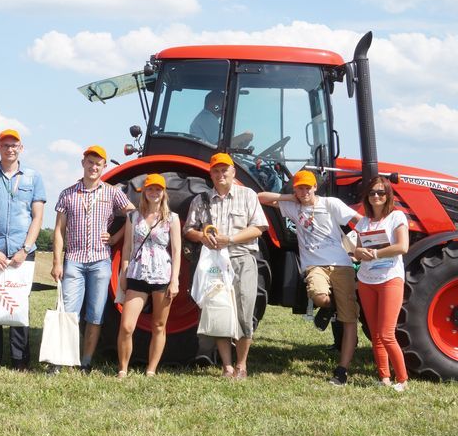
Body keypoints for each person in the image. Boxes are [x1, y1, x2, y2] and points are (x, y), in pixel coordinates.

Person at [259, 170, 360, 386]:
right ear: (295, 189)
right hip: (315, 266)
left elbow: (359, 220)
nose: (304, 191)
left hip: (341, 264)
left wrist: (366, 244)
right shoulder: (293, 207)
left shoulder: (330, 203)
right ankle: (330, 306)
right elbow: (261, 198)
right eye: (300, 187)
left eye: (308, 187)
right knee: (319, 297)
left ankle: (342, 370)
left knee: (349, 320)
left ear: (315, 187)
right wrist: (291, 197)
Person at [51, 145, 135, 374]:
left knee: (95, 314)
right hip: (74, 261)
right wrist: (57, 262)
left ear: (104, 166)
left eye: (98, 163)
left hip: (100, 261)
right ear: (83, 163)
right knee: (69, 312)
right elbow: (59, 230)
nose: (94, 167)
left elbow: (134, 215)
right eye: (90, 162)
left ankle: (86, 361)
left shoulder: (112, 192)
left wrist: (116, 237)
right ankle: (59, 360)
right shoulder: (67, 194)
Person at [184, 153, 268, 380]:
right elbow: (188, 229)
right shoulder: (201, 200)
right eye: (216, 171)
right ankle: (227, 366)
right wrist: (202, 237)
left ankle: (241, 365)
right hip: (215, 263)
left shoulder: (247, 195)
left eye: (224, 170)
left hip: (242, 258)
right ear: (210, 174)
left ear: (233, 172)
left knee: (244, 312)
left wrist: (229, 239)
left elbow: (259, 227)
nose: (220, 174)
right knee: (219, 312)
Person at [0, 129, 46, 373]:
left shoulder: (33, 178)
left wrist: (25, 249)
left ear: (21, 148)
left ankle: (20, 360)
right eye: (5, 145)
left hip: (22, 252)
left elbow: (37, 217)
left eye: (14, 145)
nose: (10, 149)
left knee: (19, 303)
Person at [116, 174, 181, 378]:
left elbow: (177, 251)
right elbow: (127, 248)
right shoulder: (133, 217)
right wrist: (123, 274)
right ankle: (123, 369)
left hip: (162, 275)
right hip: (137, 273)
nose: (154, 192)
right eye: (150, 189)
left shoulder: (172, 218)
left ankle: (151, 370)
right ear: (144, 192)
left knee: (159, 325)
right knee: (127, 326)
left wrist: (175, 280)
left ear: (163, 193)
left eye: (158, 189)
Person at [353, 176, 409, 391]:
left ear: (388, 195)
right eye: (372, 193)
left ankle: (402, 380)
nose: (376, 196)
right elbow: (356, 250)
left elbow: (402, 247)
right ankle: (384, 377)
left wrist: (375, 253)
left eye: (381, 192)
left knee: (386, 333)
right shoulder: (364, 221)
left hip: (390, 279)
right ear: (367, 197)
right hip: (367, 280)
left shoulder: (397, 217)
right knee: (375, 333)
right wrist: (359, 252)